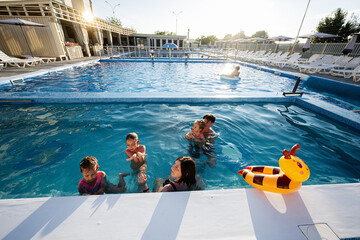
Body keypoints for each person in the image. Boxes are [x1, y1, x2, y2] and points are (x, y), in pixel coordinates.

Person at [138, 156, 205, 192]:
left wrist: (143, 185)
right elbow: (202, 188)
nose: (172, 168)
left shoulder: (168, 188)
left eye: (176, 168)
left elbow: (153, 199)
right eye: (174, 164)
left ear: (186, 174)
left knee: (159, 180)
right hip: (183, 185)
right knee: (169, 177)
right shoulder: (197, 178)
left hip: (171, 187)